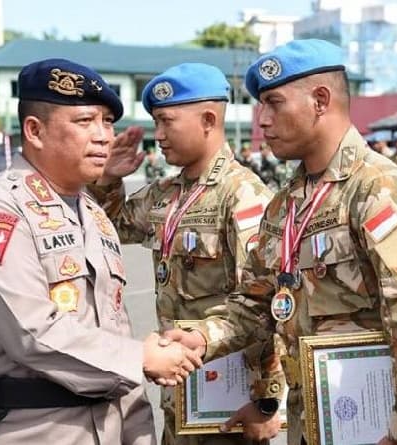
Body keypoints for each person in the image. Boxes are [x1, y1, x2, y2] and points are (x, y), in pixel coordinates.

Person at [164, 39, 397, 445]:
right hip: (312, 421)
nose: (263, 121)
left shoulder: (379, 191)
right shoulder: (286, 204)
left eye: (274, 103)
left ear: (320, 100)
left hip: (377, 427)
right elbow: (258, 302)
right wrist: (204, 337)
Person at [0, 58, 201, 445]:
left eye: (107, 122)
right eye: (84, 122)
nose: (103, 136)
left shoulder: (92, 212)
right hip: (29, 430)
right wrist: (139, 358)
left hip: (104, 426)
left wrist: (138, 433)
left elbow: (112, 324)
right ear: (35, 131)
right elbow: (29, 330)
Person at [88, 62, 283, 445]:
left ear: (208, 119)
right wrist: (108, 180)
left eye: (166, 122)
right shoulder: (166, 194)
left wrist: (267, 401)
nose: (157, 135)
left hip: (231, 398)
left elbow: (266, 302)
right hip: (181, 388)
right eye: (155, 123)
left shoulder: (243, 195)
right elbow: (106, 229)